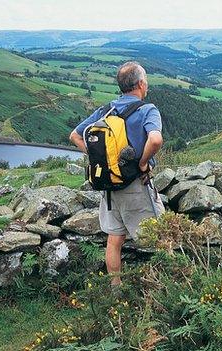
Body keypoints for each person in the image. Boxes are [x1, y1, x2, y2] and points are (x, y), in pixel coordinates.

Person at [69, 61, 165, 286]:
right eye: (146, 82)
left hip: (109, 187)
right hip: (135, 186)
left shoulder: (105, 110)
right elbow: (155, 139)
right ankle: (168, 288)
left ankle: (116, 290)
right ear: (141, 84)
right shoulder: (146, 110)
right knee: (162, 236)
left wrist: (99, 159)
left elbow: (75, 135)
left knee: (115, 240)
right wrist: (142, 163)